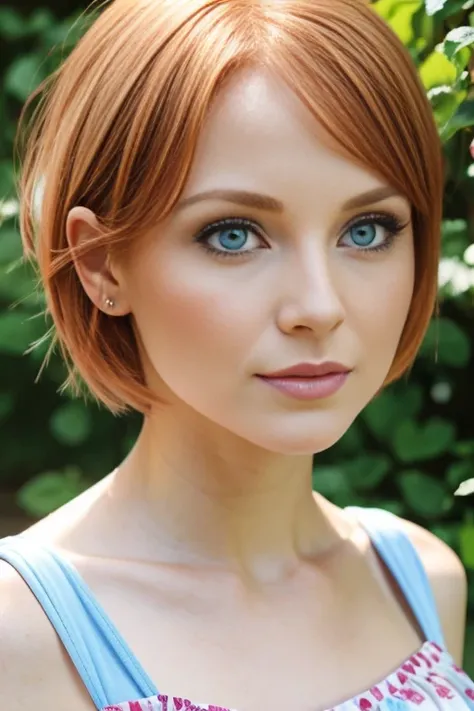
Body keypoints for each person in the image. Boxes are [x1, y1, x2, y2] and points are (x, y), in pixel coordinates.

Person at [0, 0, 470, 709]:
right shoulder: (21, 637)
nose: (319, 305)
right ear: (102, 264)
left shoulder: (423, 585)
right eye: (233, 234)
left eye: (368, 229)